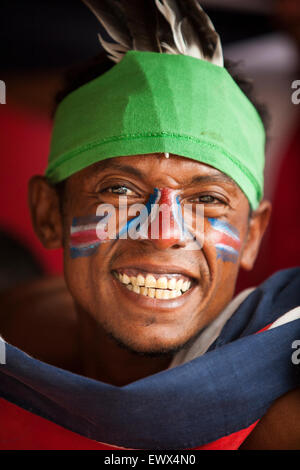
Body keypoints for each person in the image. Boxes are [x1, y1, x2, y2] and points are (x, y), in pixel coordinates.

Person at [0, 0, 299, 450]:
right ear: (48, 213)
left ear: (253, 234)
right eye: (120, 190)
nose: (162, 232)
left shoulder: (280, 416)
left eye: (207, 199)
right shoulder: (15, 341)